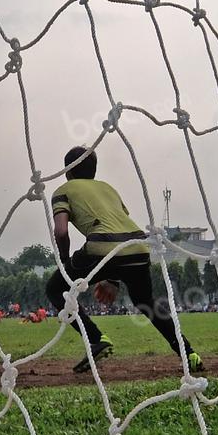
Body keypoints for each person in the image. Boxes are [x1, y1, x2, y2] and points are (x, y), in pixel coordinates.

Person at [45, 146, 203, 373]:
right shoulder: (108, 189)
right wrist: (113, 279)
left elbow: (60, 232)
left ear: (67, 171)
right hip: (137, 246)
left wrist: (64, 262)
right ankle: (189, 353)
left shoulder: (63, 190)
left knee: (55, 288)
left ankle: (96, 338)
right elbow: (119, 225)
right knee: (145, 301)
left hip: (102, 246)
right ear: (94, 170)